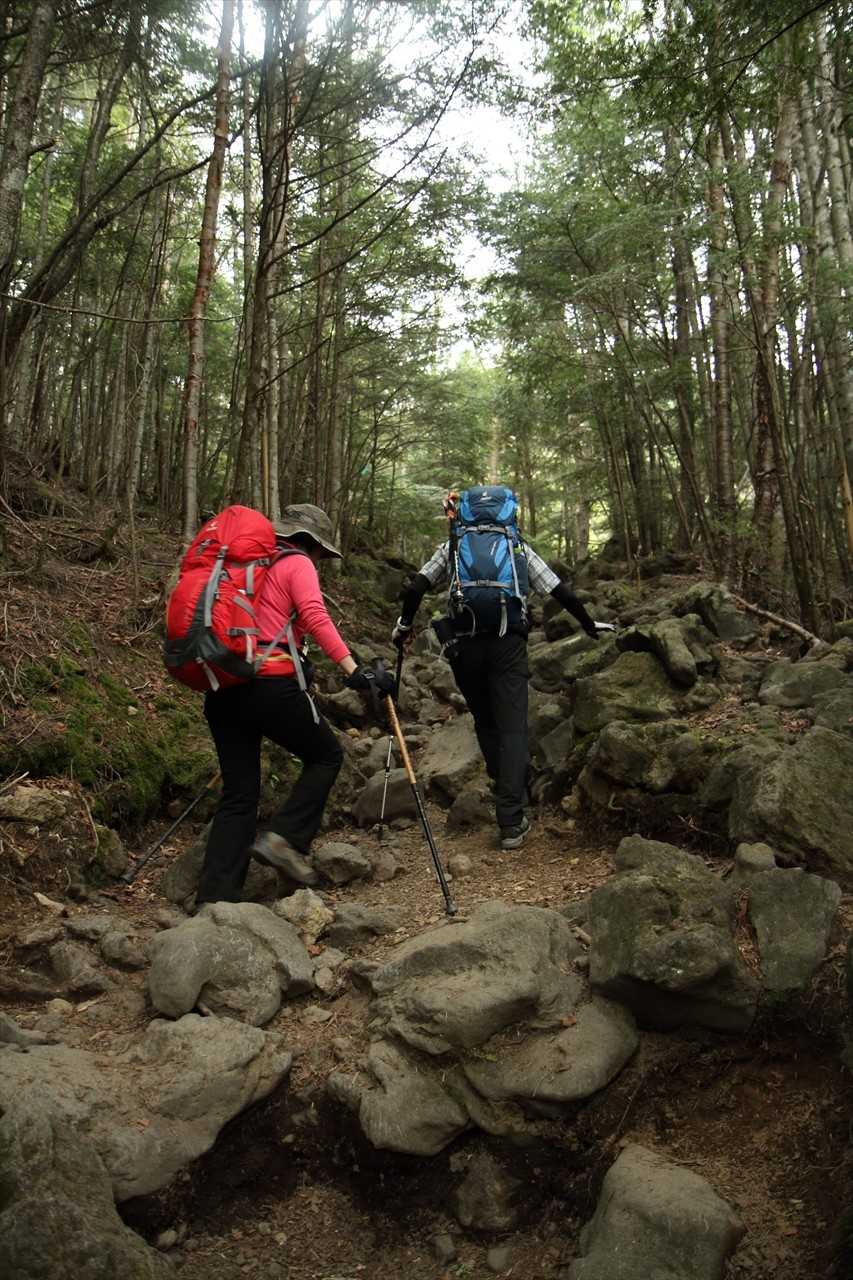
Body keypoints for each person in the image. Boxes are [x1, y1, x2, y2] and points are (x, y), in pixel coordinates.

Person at [196, 503, 394, 906]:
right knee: (326, 756)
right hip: (269, 686)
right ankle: (284, 838)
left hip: (222, 687)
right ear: (312, 544)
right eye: (320, 552)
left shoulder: (241, 563)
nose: (319, 559)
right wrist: (354, 670)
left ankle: (214, 899)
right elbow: (316, 617)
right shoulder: (297, 562)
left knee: (239, 794)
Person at [391, 486, 601, 852]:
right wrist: (588, 624)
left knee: (486, 722)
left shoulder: (454, 545)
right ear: (509, 515)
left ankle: (505, 785)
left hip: (464, 647)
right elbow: (560, 591)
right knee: (513, 727)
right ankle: (511, 818)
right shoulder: (516, 546)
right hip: (508, 644)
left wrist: (404, 626)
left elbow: (416, 587)